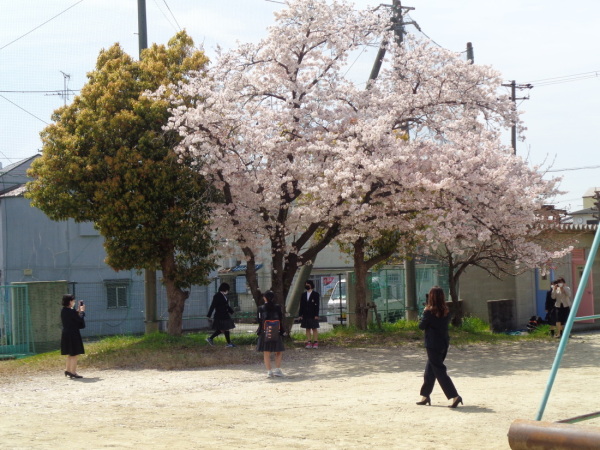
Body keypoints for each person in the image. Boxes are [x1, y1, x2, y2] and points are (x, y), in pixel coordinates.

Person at [416, 286, 462, 408]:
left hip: (432, 344)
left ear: (431, 297)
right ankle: (425, 396)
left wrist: (423, 313)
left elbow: (421, 326)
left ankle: (455, 396)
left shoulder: (429, 312)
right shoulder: (447, 311)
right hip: (443, 343)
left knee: (439, 371)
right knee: (429, 371)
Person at [256, 290, 285, 377]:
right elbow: (281, 318)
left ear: (264, 298)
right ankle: (277, 369)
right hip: (276, 331)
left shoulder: (261, 308)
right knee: (279, 351)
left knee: (266, 352)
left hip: (265, 332)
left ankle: (269, 371)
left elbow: (258, 320)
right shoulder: (278, 307)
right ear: (273, 298)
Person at [60, 294, 86, 379]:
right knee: (74, 354)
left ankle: (67, 370)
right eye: (73, 301)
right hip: (73, 334)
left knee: (70, 354)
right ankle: (73, 372)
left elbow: (73, 315)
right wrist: (82, 312)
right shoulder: (70, 311)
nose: (74, 302)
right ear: (70, 301)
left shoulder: (64, 310)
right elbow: (78, 320)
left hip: (66, 333)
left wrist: (78, 310)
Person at [206, 282, 236, 347]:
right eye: (227, 289)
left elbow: (226, 305)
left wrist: (231, 311)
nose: (228, 291)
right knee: (225, 328)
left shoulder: (225, 296)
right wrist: (209, 315)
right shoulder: (217, 296)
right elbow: (213, 306)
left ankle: (210, 338)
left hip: (225, 314)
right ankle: (228, 343)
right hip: (220, 315)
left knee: (223, 329)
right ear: (225, 289)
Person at [299, 280, 320, 349]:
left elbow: (317, 305)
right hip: (305, 314)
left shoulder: (316, 294)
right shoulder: (303, 294)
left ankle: (316, 342)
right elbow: (301, 305)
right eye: (305, 284)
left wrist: (316, 315)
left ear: (311, 285)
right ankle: (308, 341)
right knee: (307, 328)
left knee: (314, 328)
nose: (306, 286)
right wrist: (300, 314)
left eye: (308, 284)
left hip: (313, 314)